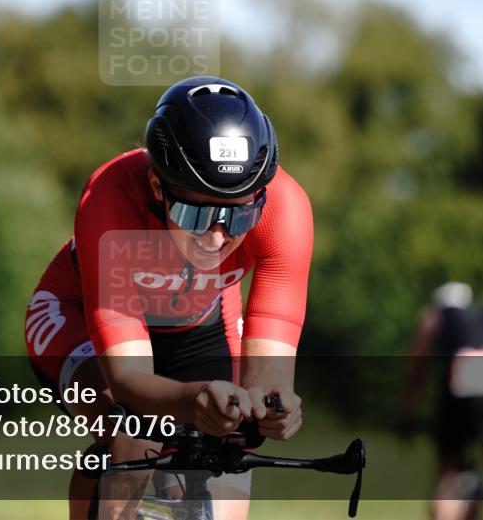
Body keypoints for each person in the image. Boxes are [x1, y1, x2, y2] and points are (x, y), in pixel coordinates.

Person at [24, 76, 313, 520]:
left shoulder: (284, 210)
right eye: (196, 212)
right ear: (158, 188)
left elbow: (269, 377)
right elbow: (128, 379)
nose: (217, 236)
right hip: (78, 314)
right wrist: (192, 402)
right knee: (132, 430)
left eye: (238, 216)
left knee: (229, 460)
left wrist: (275, 407)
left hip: (200, 323)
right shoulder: (111, 196)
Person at [400, 281, 483, 520]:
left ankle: (446, 511)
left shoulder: (433, 317)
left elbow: (417, 369)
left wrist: (407, 412)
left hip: (459, 389)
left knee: (449, 467)